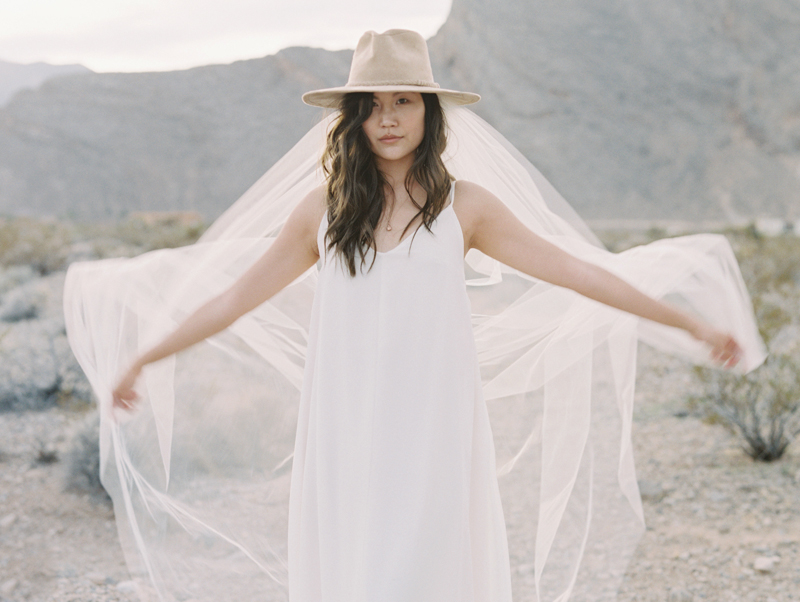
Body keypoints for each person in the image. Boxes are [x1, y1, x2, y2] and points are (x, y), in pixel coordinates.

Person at [66, 29, 763, 602]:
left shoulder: (470, 208)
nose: (389, 118)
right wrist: (142, 358)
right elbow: (229, 298)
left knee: (427, 576)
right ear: (353, 117)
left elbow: (579, 272)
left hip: (435, 428)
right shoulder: (321, 212)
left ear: (431, 113)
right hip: (346, 426)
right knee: (358, 574)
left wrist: (689, 323)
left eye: (405, 101)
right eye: (372, 104)